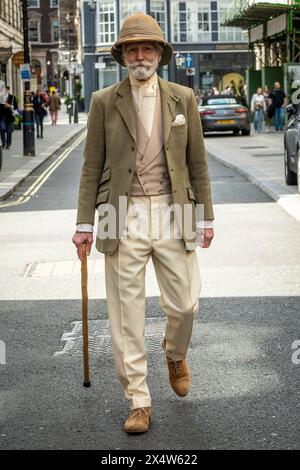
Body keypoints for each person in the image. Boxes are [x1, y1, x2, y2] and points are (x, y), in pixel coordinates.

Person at [72, 13, 214, 434]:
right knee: (125, 312)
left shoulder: (182, 97)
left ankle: (174, 352)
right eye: (132, 49)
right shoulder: (103, 101)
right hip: (120, 212)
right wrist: (84, 223)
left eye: (147, 48)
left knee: (186, 303)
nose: (140, 55)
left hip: (177, 209)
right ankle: (139, 399)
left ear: (159, 54)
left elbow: (197, 162)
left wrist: (205, 215)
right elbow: (90, 165)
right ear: (123, 55)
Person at [0, 85, 18, 150]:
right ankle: (3, 144)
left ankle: (8, 144)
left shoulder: (12, 97)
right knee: (2, 130)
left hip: (9, 116)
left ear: (7, 90)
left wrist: (11, 106)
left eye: (5, 89)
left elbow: (16, 106)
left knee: (9, 131)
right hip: (2, 117)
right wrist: (4, 105)